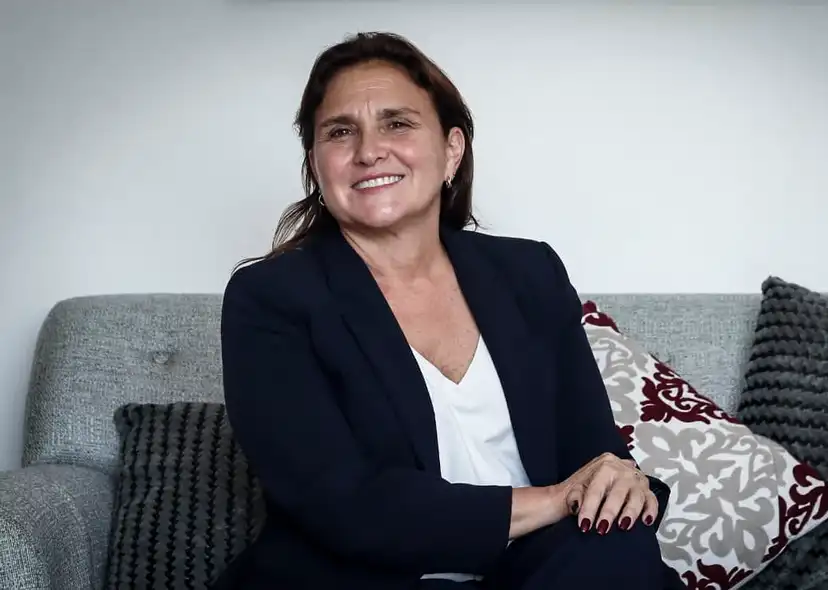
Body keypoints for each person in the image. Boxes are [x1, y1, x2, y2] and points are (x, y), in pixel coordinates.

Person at [213, 31, 684, 590]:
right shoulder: (269, 298)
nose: (368, 151)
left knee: (617, 550)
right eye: (341, 132)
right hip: (366, 578)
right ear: (317, 165)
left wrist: (616, 480)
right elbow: (345, 505)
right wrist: (557, 500)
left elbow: (592, 454)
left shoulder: (530, 273)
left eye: (397, 123)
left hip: (541, 572)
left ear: (451, 150)